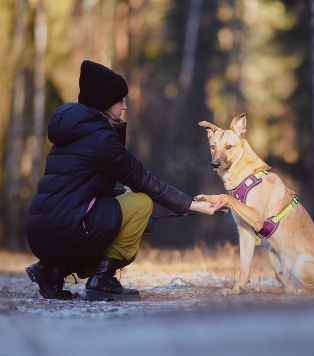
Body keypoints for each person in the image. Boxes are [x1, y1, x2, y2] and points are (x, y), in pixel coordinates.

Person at [26, 59, 225, 302]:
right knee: (142, 203)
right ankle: (103, 279)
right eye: (120, 101)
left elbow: (82, 191)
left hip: (40, 233)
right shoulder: (101, 139)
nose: (125, 106)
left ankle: (51, 271)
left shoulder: (70, 132)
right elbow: (145, 181)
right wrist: (192, 205)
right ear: (105, 103)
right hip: (69, 229)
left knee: (128, 201)